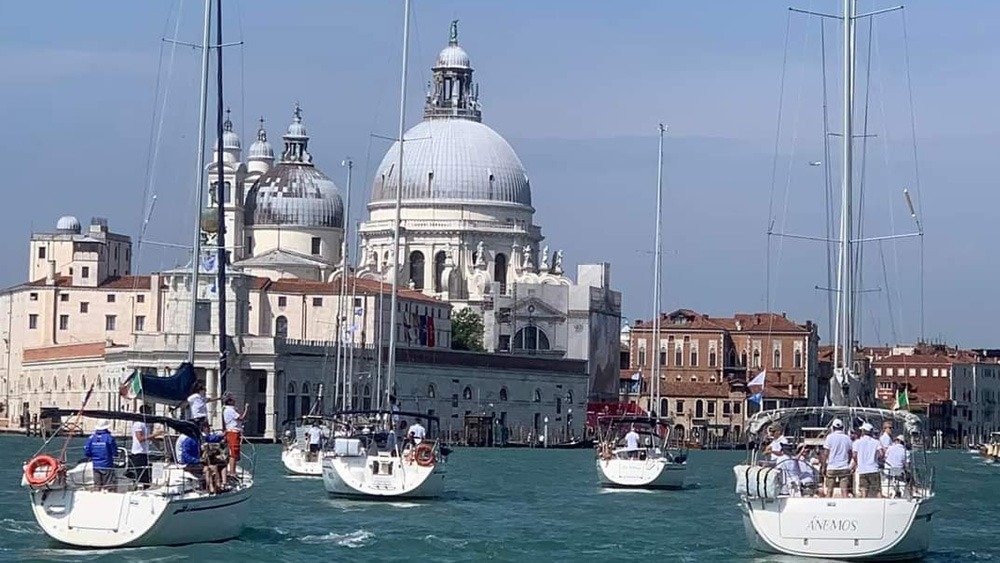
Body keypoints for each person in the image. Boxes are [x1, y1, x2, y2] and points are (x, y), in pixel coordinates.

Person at [821, 418, 853, 497]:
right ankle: (846, 507)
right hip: (844, 467)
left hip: (832, 467)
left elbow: (825, 453)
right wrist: (848, 463)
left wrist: (823, 466)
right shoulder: (847, 438)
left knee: (829, 491)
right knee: (844, 491)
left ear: (832, 428)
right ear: (842, 427)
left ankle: (827, 508)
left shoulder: (829, 437)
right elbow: (850, 453)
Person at [85, 420, 118, 491]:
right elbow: (114, 451)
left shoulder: (91, 438)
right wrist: (115, 455)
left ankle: (97, 498)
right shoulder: (109, 438)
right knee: (109, 486)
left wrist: (91, 456)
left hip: (96, 465)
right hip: (107, 465)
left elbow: (87, 451)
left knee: (97, 485)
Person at [852, 422, 883, 498]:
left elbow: (854, 455)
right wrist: (876, 458)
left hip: (862, 469)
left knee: (863, 489)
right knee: (877, 490)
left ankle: (864, 504)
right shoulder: (876, 442)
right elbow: (882, 454)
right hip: (873, 469)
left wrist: (857, 462)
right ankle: (879, 505)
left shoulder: (857, 442)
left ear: (863, 431)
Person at [222, 395, 248, 477]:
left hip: (231, 431)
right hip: (233, 432)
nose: (235, 401)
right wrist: (246, 408)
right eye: (233, 400)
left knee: (233, 452)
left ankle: (231, 470)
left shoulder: (227, 410)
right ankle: (232, 472)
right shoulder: (230, 410)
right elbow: (241, 418)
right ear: (229, 401)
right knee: (233, 452)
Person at [130, 406, 157, 487]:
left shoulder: (146, 424)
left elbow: (148, 437)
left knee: (146, 476)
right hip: (138, 453)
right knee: (140, 476)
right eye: (149, 412)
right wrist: (155, 434)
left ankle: (146, 488)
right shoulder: (138, 424)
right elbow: (140, 438)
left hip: (145, 453)